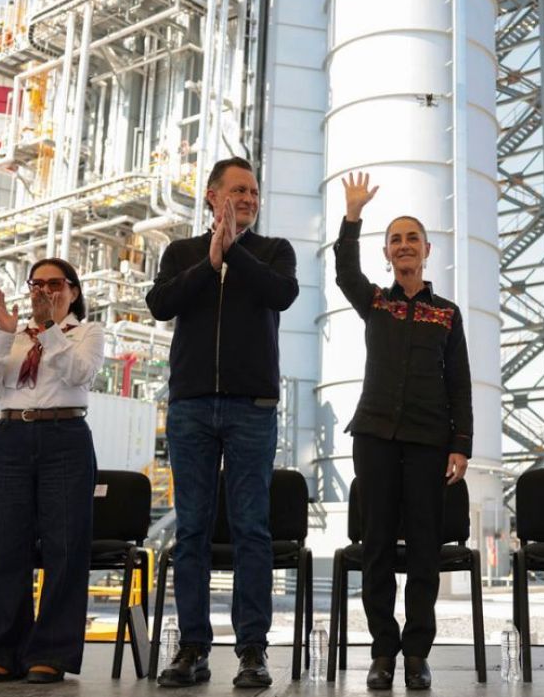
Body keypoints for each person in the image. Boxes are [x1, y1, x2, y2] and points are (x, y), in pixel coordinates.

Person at [145, 156, 299, 688]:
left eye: (254, 192)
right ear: (212, 196)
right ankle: (192, 647)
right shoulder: (181, 253)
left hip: (251, 407)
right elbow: (159, 304)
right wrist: (209, 263)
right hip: (191, 407)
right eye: (239, 190)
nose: (249, 199)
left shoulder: (274, 251)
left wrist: (234, 252)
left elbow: (283, 294)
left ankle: (252, 650)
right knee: (191, 530)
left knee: (252, 528)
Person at [333, 172, 472, 691]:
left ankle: (416, 653)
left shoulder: (448, 314)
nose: (404, 245)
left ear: (427, 251)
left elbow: (459, 383)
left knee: (423, 551)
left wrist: (461, 444)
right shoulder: (375, 302)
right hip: (374, 438)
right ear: (387, 253)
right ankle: (383, 652)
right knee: (376, 549)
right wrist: (353, 217)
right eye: (396, 239)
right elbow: (344, 271)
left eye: (413, 238)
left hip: (429, 443)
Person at [0, 258, 105, 683]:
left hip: (64, 434)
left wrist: (48, 329)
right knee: (6, 542)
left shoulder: (87, 332)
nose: (44, 291)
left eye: (55, 284)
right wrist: (2, 334)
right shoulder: (14, 335)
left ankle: (51, 652)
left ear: (73, 291)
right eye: (37, 284)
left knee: (65, 544)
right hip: (12, 435)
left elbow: (79, 373)